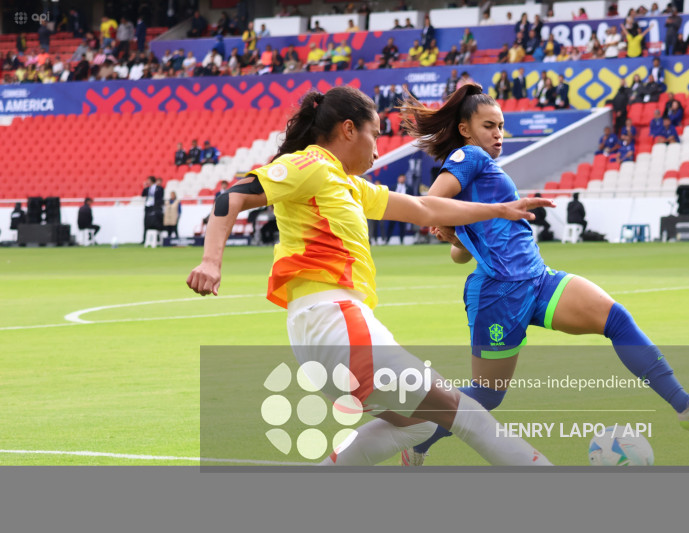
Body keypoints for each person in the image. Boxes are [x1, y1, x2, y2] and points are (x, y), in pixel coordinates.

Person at [186, 86, 554, 467]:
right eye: (374, 135)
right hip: (337, 322)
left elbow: (424, 208)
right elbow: (231, 197)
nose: (378, 150)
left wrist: (498, 209)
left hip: (318, 333)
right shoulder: (310, 166)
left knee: (420, 424)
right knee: (462, 412)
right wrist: (211, 262)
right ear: (348, 129)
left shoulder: (347, 184)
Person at [398, 84, 689, 465]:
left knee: (616, 318)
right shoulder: (470, 155)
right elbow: (429, 203)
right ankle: (415, 437)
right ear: (465, 129)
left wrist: (456, 233)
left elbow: (459, 254)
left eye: (502, 126)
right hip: (500, 293)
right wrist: (443, 220)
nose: (498, 135)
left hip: (538, 279)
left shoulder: (484, 168)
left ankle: (684, 404)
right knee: (488, 394)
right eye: (489, 125)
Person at [141, 176, 164, 241]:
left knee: (156, 223)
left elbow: (161, 196)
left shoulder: (159, 188)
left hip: (156, 208)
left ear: (151, 180)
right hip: (148, 208)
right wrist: (145, 187)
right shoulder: (148, 189)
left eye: (148, 180)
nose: (147, 181)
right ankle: (144, 239)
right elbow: (143, 195)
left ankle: (158, 239)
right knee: (146, 223)